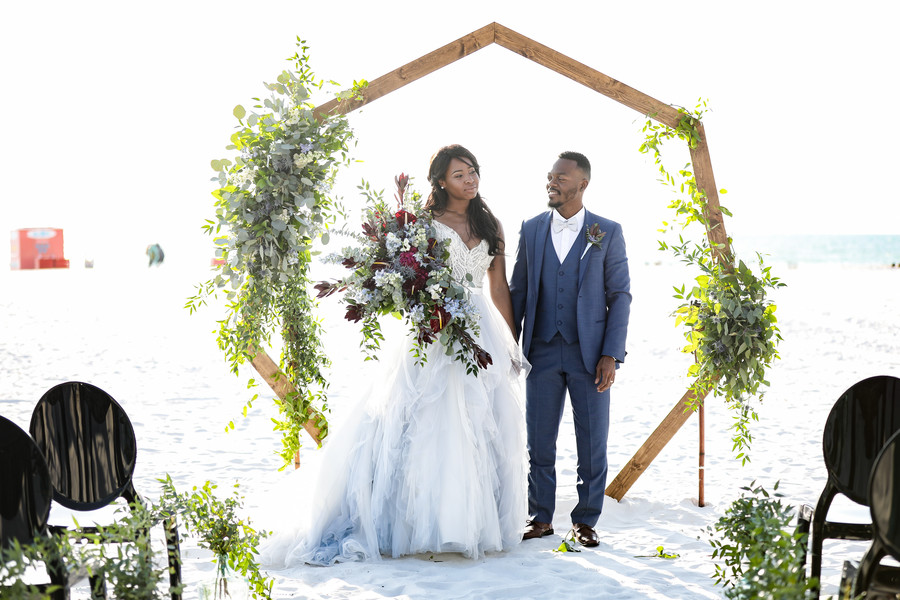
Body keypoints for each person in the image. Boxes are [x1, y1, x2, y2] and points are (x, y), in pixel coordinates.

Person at [261, 144, 527, 566]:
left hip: (482, 328)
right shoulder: (424, 223)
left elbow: (498, 287)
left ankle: (471, 521)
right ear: (441, 182)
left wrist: (511, 342)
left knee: (481, 422)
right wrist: (425, 305)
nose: (470, 179)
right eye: (459, 174)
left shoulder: (490, 223)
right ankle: (422, 522)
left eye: (473, 171)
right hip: (433, 328)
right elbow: (410, 280)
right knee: (429, 420)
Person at [509, 151, 631, 547]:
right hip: (541, 350)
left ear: (582, 184)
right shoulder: (531, 229)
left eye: (561, 178)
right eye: (550, 176)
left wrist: (611, 354)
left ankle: (585, 521)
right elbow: (518, 291)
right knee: (539, 441)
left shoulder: (606, 231)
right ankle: (540, 517)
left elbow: (620, 295)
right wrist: (510, 343)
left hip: (590, 355)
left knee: (592, 442)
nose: (552, 183)